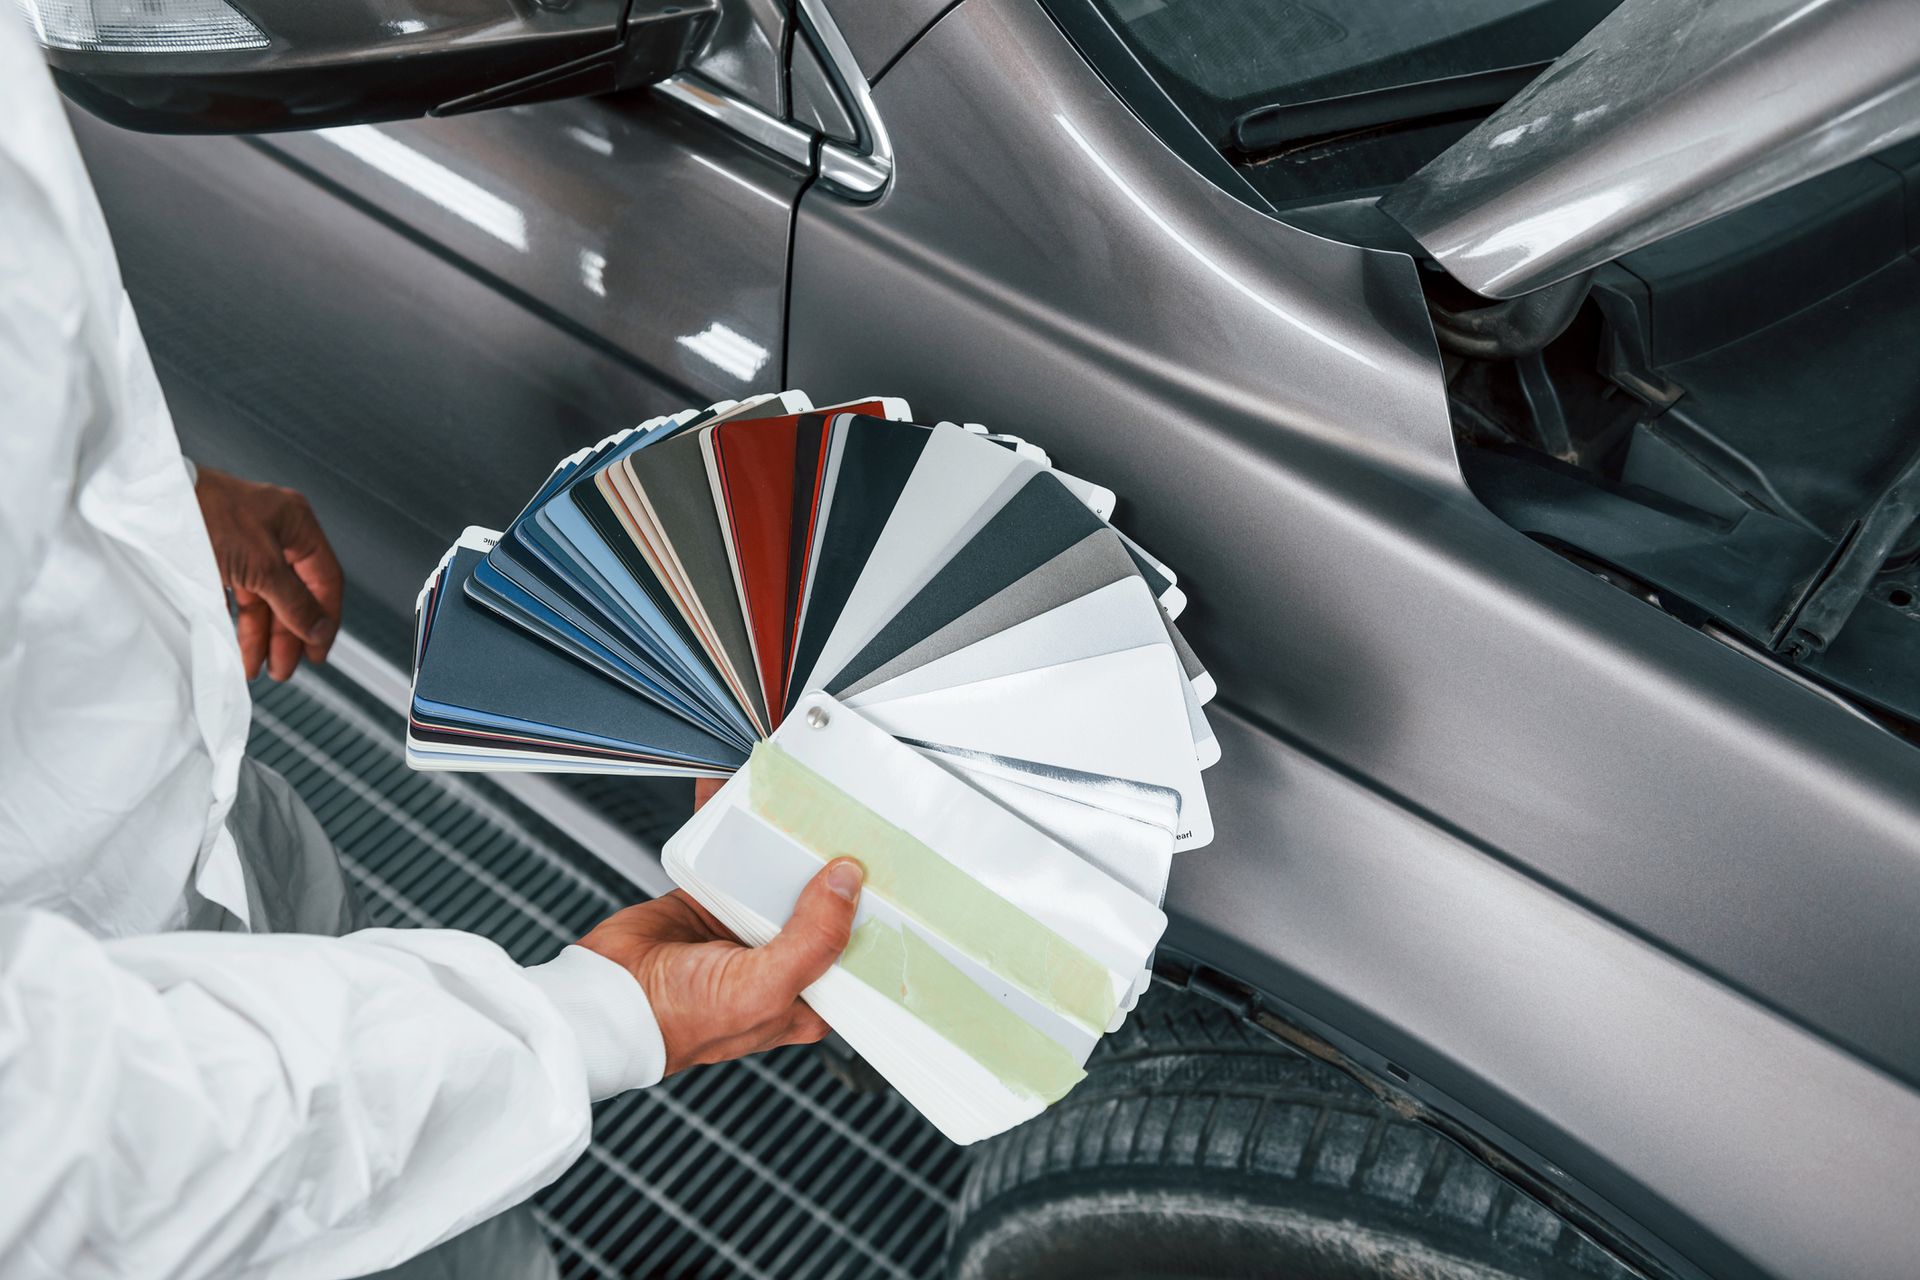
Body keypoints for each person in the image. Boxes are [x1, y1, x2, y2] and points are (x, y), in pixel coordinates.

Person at [0, 17, 859, 1279]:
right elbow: (53, 1148)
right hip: (170, 1126)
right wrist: (588, 1023)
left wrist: (119, 493)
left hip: (199, 832)